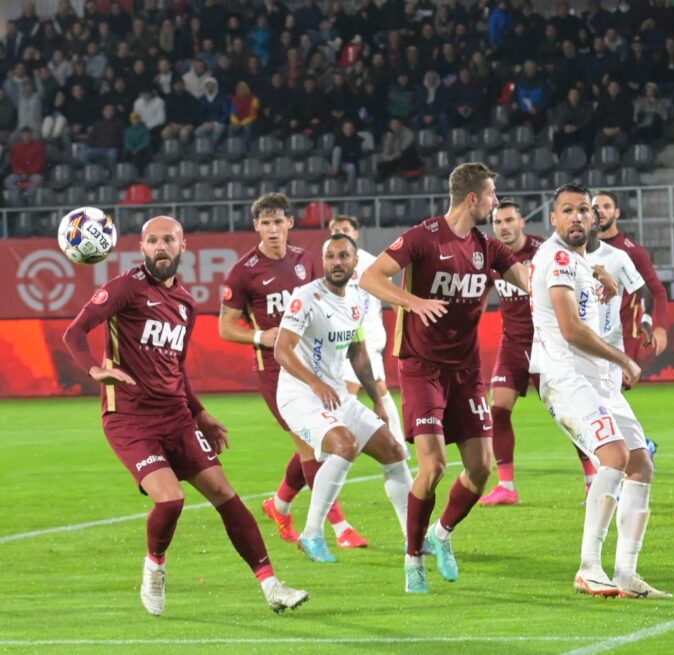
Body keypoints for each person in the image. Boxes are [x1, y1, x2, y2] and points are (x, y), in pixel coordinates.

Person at [62, 215, 308, 616]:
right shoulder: (125, 288)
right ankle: (155, 568)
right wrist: (94, 369)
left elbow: (177, 369)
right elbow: (74, 332)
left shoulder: (187, 303)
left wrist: (201, 415)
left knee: (227, 497)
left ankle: (271, 585)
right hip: (129, 417)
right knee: (171, 500)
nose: (161, 247)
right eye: (153, 241)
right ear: (142, 248)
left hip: (175, 415)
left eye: (168, 240)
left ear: (182, 246)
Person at [360, 163, 530, 593]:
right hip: (421, 367)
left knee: (481, 468)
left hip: (467, 371)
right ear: (472, 198)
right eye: (492, 195)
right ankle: (413, 557)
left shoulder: (487, 248)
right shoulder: (422, 237)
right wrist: (413, 301)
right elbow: (371, 276)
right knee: (433, 467)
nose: (496, 203)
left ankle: (443, 533)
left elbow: (531, 282)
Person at [529, 183, 670, 599]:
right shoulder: (555, 256)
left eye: (584, 210)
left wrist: (597, 275)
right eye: (567, 210)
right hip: (567, 376)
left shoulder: (579, 259)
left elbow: (636, 291)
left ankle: (626, 572)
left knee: (641, 464)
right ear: (553, 219)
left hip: (599, 380)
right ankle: (589, 566)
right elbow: (571, 330)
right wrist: (623, 359)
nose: (577, 216)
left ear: (594, 219)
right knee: (614, 455)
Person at [219, 193, 368, 550]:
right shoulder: (243, 271)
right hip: (275, 372)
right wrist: (259, 335)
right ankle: (340, 527)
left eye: (277, 221)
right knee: (314, 448)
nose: (272, 229)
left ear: (289, 223)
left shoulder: (305, 261)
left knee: (314, 443)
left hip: (315, 365)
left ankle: (280, 505)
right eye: (264, 223)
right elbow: (225, 327)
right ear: (256, 226)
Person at [274, 234, 413, 563]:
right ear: (323, 262)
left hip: (337, 396)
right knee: (345, 445)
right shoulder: (306, 297)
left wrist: (377, 398)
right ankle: (312, 534)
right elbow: (282, 349)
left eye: (344, 256)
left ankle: (415, 538)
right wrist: (314, 382)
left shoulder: (355, 301)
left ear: (355, 263)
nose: (337, 262)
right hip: (299, 396)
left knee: (394, 452)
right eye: (331, 256)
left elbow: (357, 352)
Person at [477, 200, 546, 506]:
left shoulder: (543, 252)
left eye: (508, 220)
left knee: (568, 413)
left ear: (522, 223)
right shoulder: (491, 256)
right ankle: (507, 486)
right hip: (512, 344)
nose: (503, 227)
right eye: (498, 222)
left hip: (546, 344)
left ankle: (591, 480)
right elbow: (482, 294)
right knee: (498, 410)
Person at [328, 215, 406, 447]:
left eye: (344, 229)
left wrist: (406, 324)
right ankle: (397, 442)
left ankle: (339, 444)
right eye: (334, 229)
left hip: (367, 338)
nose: (339, 233)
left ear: (355, 234)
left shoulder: (372, 264)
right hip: (344, 338)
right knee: (379, 388)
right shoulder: (333, 265)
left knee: (347, 391)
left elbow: (391, 295)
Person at [594, 190, 669, 368]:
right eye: (596, 207)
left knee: (611, 386)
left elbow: (657, 290)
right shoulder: (580, 249)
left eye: (607, 207)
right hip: (589, 331)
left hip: (622, 333)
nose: (601, 212)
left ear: (617, 213)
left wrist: (661, 327)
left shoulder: (632, 251)